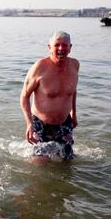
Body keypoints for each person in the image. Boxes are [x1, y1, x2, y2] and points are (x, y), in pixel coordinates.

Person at [20, 31, 79, 161]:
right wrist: (29, 123)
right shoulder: (39, 68)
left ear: (70, 48)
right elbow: (24, 96)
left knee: (67, 163)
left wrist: (74, 114)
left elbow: (73, 91)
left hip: (65, 123)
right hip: (40, 123)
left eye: (65, 45)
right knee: (40, 164)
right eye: (57, 45)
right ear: (49, 47)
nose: (61, 48)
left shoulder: (75, 65)